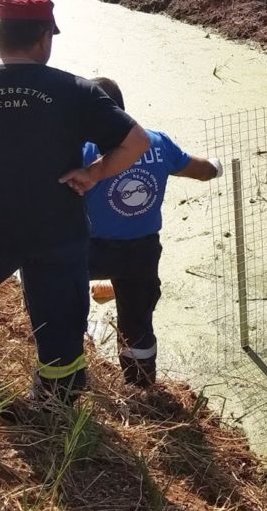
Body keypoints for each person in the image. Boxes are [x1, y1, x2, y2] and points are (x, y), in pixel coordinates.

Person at [0, 0, 150, 401]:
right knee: (60, 314)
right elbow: (137, 142)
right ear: (43, 37)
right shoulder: (74, 90)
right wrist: (95, 173)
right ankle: (59, 396)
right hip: (58, 232)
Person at [82, 77, 223, 387]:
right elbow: (200, 171)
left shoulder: (82, 150)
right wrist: (217, 166)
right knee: (138, 322)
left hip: (90, 249)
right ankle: (141, 385)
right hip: (141, 252)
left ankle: (73, 366)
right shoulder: (156, 143)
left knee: (64, 299)